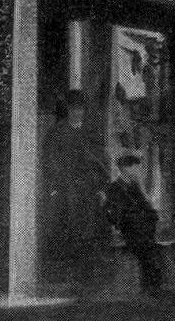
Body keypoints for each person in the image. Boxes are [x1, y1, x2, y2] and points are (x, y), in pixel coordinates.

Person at [39, 90, 109, 287]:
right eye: (73, 109)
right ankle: (67, 278)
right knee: (66, 229)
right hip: (66, 189)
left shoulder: (91, 132)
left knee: (90, 230)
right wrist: (56, 185)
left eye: (80, 109)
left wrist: (102, 188)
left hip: (89, 189)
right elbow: (48, 162)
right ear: (68, 109)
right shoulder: (56, 133)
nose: (77, 112)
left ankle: (87, 278)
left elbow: (101, 162)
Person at [104, 154, 166, 296]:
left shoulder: (134, 185)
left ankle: (152, 288)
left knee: (151, 254)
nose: (138, 171)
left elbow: (146, 206)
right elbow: (115, 214)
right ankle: (150, 288)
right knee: (147, 254)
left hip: (143, 228)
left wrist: (152, 215)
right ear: (125, 169)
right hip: (131, 229)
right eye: (135, 168)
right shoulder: (114, 188)